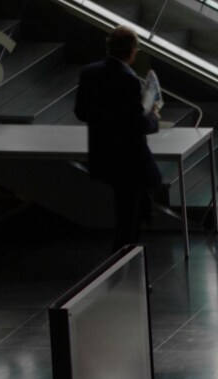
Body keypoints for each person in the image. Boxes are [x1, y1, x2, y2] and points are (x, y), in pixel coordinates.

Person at [76, 26, 162, 250]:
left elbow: (81, 112)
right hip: (130, 159)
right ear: (132, 51)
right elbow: (139, 124)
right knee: (129, 218)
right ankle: (124, 261)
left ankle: (126, 256)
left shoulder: (89, 73)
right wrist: (153, 116)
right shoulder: (129, 81)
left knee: (126, 209)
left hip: (104, 154)